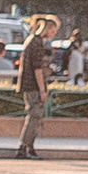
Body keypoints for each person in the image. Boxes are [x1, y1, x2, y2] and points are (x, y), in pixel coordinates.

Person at [15, 14, 56, 160]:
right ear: (48, 29)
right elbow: (37, 69)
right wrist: (43, 90)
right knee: (34, 116)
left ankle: (29, 147)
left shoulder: (31, 40)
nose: (53, 35)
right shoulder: (37, 43)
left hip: (28, 84)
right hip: (34, 85)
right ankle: (24, 147)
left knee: (34, 116)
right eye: (53, 31)